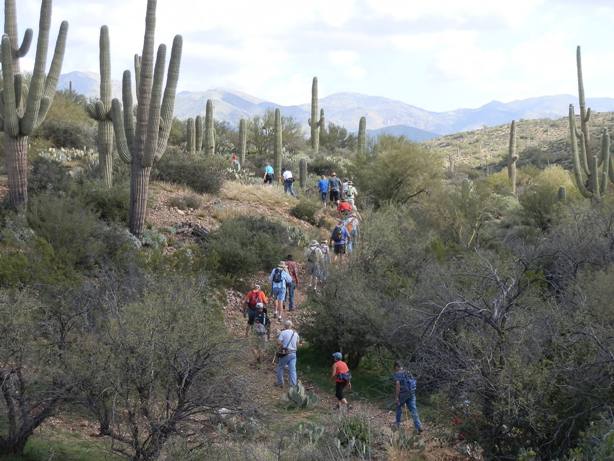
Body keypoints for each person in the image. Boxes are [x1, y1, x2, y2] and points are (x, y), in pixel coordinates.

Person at [393, 361, 422, 434]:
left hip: (403, 394)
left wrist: (396, 397)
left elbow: (397, 385)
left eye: (395, 368)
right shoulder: (408, 372)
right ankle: (418, 427)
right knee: (413, 410)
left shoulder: (398, 373)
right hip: (412, 393)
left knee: (398, 407)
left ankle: (397, 425)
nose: (395, 369)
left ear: (396, 367)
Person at [276, 320, 299, 387]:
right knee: (293, 370)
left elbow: (278, 342)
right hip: (294, 353)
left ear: (285, 326)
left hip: (285, 353)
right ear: (291, 325)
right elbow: (297, 344)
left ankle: (280, 382)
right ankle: (293, 385)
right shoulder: (295, 333)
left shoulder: (283, 332)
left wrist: (283, 345)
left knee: (280, 367)